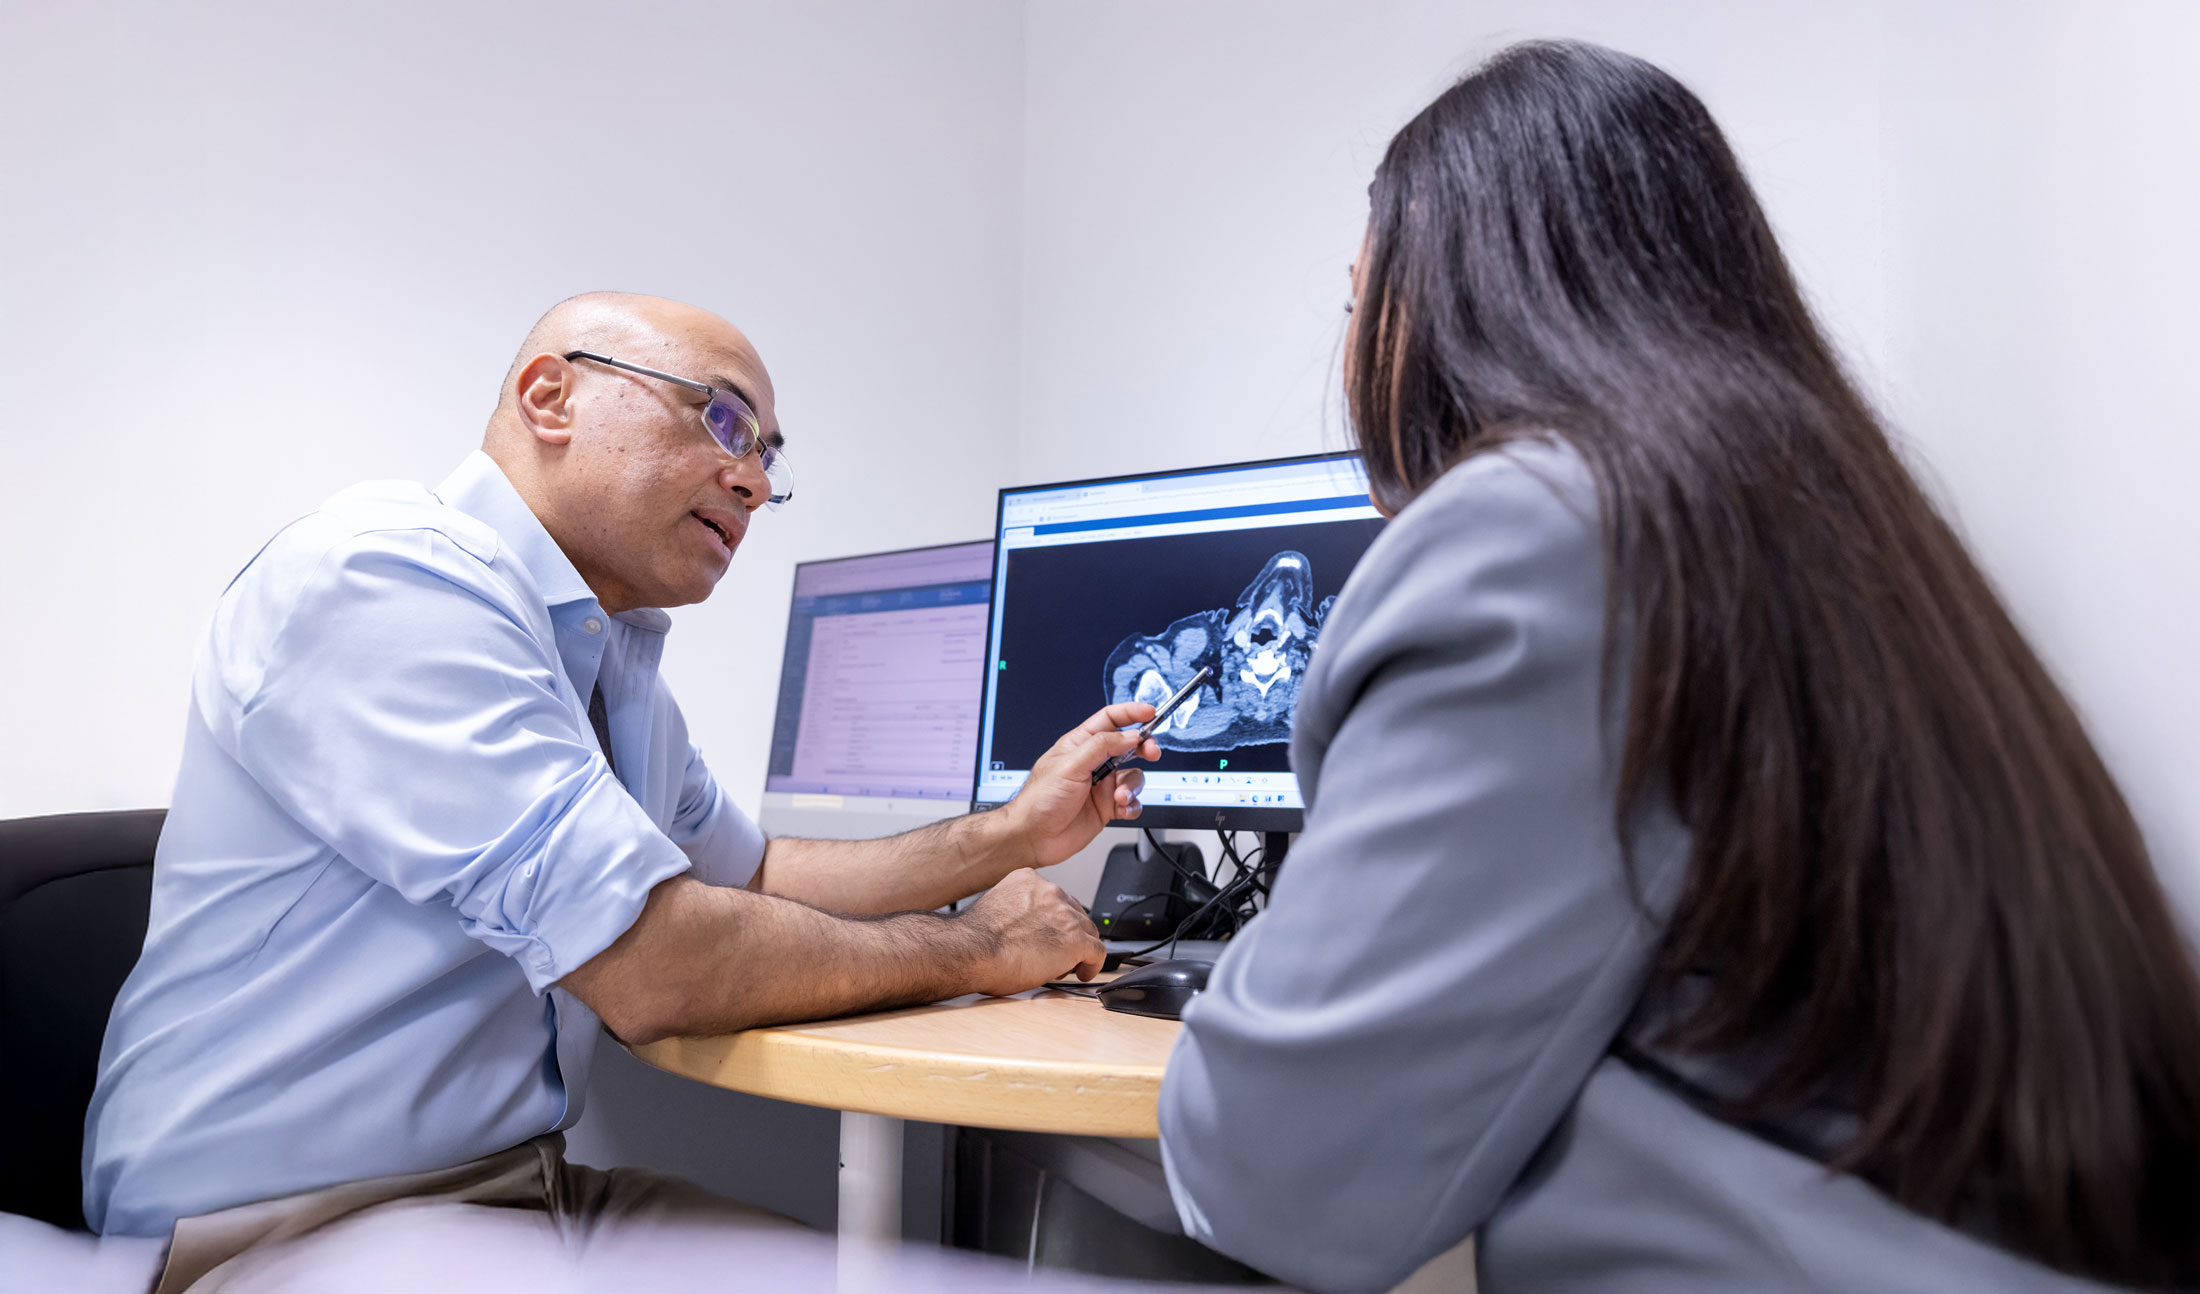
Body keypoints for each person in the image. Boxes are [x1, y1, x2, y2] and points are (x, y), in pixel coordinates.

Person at [1156, 40, 2200, 1293]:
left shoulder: (1531, 533)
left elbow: (1273, 1172)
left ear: (1436, 300)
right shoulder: (1832, 522)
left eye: (1354, 295)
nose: (1348, 345)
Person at [82, 293, 1157, 1286]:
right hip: (286, 1229)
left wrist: (1016, 833)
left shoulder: (609, 666)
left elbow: (764, 872)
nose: (753, 481)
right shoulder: (383, 580)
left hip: (522, 1192)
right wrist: (982, 948)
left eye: (769, 460)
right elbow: (655, 963)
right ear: (550, 395)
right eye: (724, 423)